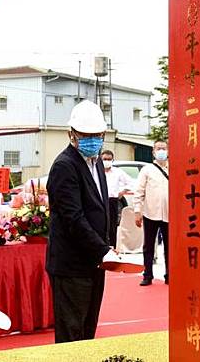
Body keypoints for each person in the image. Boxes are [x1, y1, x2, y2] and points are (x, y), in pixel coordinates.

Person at [46, 100, 118, 343]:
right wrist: (102, 249)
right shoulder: (65, 166)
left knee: (88, 331)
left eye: (97, 135)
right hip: (72, 265)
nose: (92, 140)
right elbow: (73, 218)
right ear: (71, 135)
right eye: (85, 135)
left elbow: (100, 209)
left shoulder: (96, 161)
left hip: (94, 263)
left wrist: (107, 245)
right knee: (71, 335)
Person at [133, 140, 169, 286]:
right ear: (153, 152)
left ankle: (169, 275)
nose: (161, 151)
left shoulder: (174, 168)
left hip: (169, 215)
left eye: (164, 148)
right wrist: (137, 211)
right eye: (158, 148)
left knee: (169, 246)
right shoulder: (147, 170)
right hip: (150, 212)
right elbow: (139, 192)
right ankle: (147, 274)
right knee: (148, 245)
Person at [101, 150, 132, 248]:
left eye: (109, 159)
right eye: (105, 159)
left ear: (113, 160)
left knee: (112, 226)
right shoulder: (97, 171)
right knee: (100, 224)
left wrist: (122, 192)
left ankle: (112, 247)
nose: (107, 161)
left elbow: (130, 182)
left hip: (112, 200)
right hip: (100, 200)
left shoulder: (117, 172)